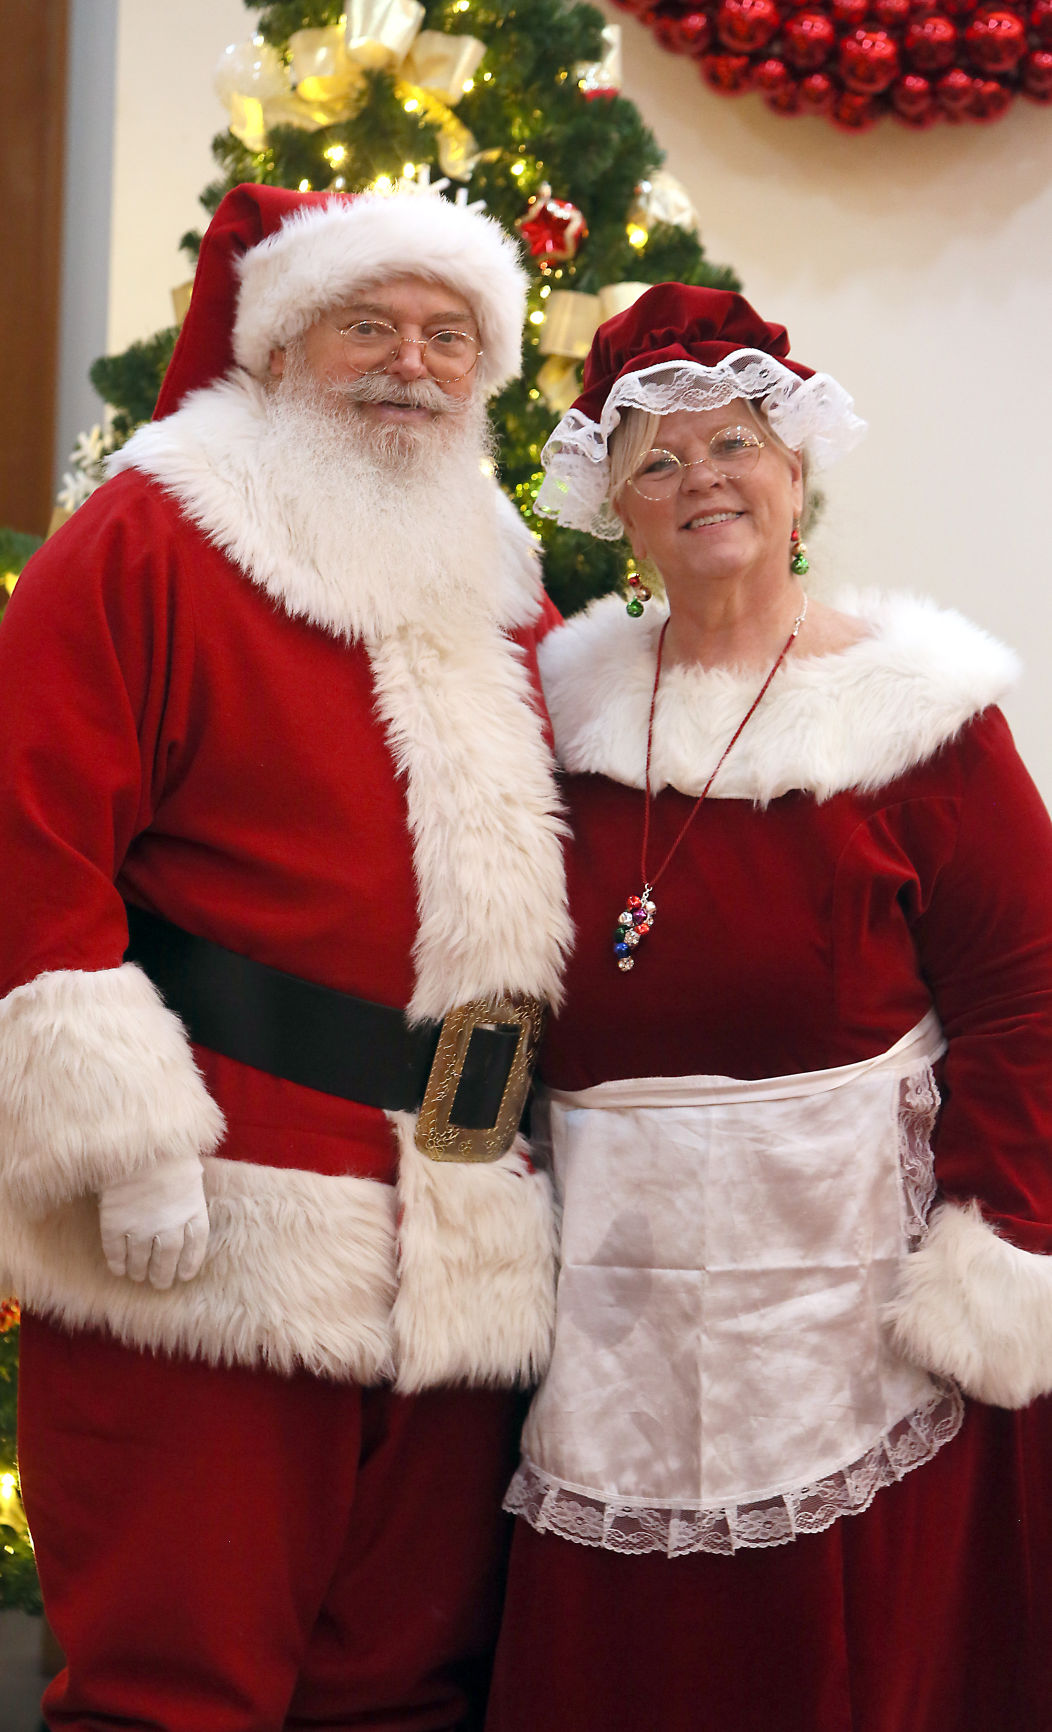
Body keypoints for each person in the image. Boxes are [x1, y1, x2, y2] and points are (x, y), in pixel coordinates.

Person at [0, 182, 571, 1732]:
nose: (411, 364)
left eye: (448, 337)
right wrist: (125, 1139)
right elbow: (27, 841)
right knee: (178, 1683)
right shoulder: (158, 531)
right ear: (284, 342)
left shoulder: (500, 580)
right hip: (213, 1217)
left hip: (454, 1225)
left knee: (402, 1686)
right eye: (370, 324)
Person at [485, 282, 1052, 1732]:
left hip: (858, 1290)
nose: (700, 483)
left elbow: (1028, 1000)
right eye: (657, 463)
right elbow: (486, 976)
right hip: (612, 1281)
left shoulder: (919, 711)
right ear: (615, 507)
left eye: (732, 443)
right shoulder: (554, 710)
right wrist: (455, 1165)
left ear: (796, 470)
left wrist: (995, 1246)